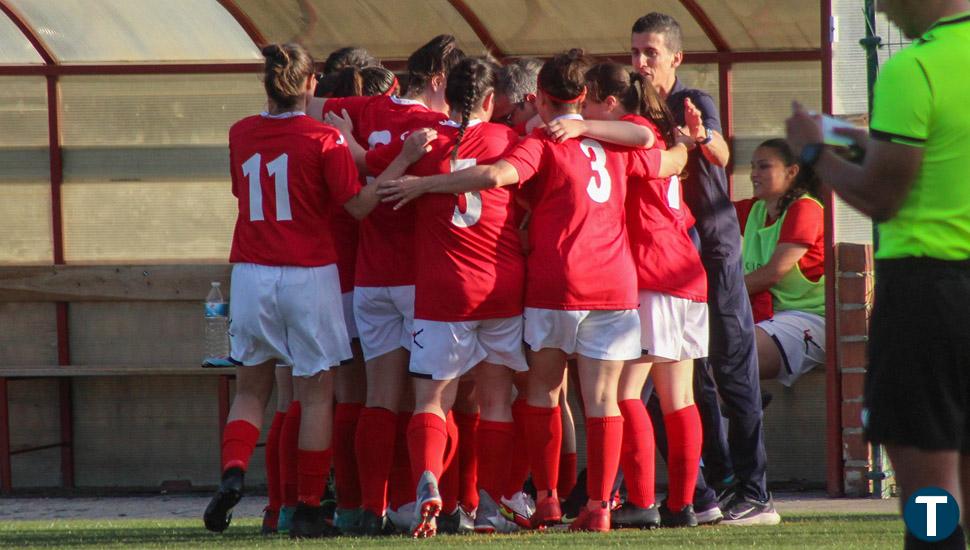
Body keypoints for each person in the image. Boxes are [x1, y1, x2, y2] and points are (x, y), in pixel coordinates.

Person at [379, 48, 688, 532]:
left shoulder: (540, 140)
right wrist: (684, 144)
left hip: (556, 283)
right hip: (616, 285)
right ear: (584, 96)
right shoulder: (617, 144)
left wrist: (423, 185)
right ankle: (600, 508)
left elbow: (500, 174)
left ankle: (543, 499)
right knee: (604, 400)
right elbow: (661, 150)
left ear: (539, 97)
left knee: (541, 392)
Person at [786, 1, 970, 547]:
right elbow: (931, 151)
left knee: (930, 493)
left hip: (928, 297)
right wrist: (844, 133)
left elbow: (882, 194)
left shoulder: (913, 68)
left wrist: (814, 150)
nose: (884, 8)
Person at [202, 42, 379, 538]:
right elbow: (357, 207)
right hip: (309, 272)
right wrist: (394, 171)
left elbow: (244, 192)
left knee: (252, 390)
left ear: (267, 84)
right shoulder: (324, 138)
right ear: (310, 84)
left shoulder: (240, 132)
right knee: (316, 393)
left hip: (253, 273)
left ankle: (234, 473)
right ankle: (304, 507)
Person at [307, 34, 464, 535]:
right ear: (439, 80)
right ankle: (433, 502)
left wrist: (352, 148)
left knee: (378, 398)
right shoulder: (437, 128)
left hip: (371, 279)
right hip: (422, 283)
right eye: (454, 86)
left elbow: (305, 104)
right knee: (432, 403)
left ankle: (369, 509)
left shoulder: (368, 108)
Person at [367, 56, 527, 537]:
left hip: (440, 289)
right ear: (488, 100)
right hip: (499, 287)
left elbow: (367, 175)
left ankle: (429, 483)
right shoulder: (508, 140)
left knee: (431, 400)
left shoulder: (422, 145)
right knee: (496, 400)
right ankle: (494, 508)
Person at [631, 12, 778, 525]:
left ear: (676, 57)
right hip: (670, 267)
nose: (641, 62)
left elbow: (719, 150)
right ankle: (711, 488)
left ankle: (757, 493)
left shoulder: (690, 101)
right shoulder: (636, 109)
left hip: (713, 254)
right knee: (688, 382)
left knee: (733, 371)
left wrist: (698, 136)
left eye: (650, 52)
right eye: (635, 52)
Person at [312, 62, 398, 534]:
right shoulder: (343, 144)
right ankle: (370, 502)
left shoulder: (312, 137)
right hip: (352, 277)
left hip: (315, 279)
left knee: (312, 398)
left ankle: (302, 505)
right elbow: (362, 203)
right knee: (369, 396)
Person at [736, 139, 825, 387]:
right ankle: (737, 417)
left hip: (810, 318)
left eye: (764, 167)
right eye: (753, 166)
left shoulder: (805, 208)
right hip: (770, 317)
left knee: (734, 354)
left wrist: (714, 295)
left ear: (792, 171)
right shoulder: (755, 210)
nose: (754, 174)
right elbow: (708, 213)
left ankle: (742, 417)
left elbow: (773, 273)